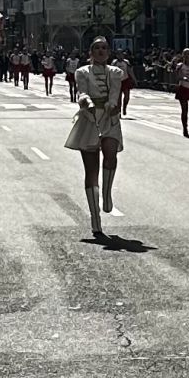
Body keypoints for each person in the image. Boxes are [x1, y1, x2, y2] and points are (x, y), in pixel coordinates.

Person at [65, 38, 123, 239]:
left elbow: (115, 94)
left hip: (110, 118)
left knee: (111, 156)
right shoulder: (82, 72)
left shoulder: (115, 72)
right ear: (91, 52)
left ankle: (107, 196)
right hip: (89, 119)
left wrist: (112, 105)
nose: (101, 51)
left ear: (108, 52)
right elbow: (81, 91)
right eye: (97, 48)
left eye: (104, 48)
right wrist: (86, 101)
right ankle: (95, 217)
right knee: (91, 170)